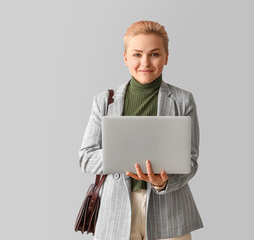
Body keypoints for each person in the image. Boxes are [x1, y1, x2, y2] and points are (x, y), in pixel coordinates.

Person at [79, 20, 203, 240]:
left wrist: (163, 183)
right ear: (125, 58)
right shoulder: (104, 102)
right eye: (137, 54)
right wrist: (123, 155)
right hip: (116, 211)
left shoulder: (183, 100)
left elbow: (191, 162)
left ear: (166, 57)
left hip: (170, 211)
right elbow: (86, 158)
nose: (145, 62)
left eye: (154, 54)